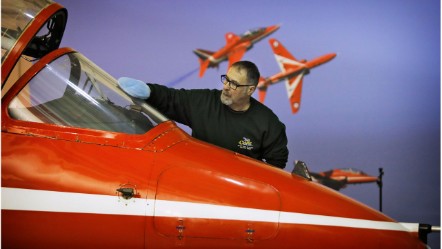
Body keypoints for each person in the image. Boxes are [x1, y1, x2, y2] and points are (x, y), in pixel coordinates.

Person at [118, 61, 288, 169]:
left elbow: (276, 165)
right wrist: (149, 91)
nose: (226, 87)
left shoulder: (268, 122)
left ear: (250, 89)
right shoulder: (204, 101)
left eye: (234, 84)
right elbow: (173, 98)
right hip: (200, 183)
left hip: (239, 192)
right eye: (226, 79)